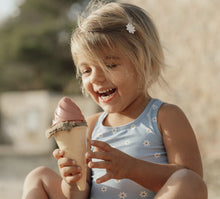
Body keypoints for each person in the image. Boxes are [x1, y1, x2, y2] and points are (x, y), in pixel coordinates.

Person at [22, 1, 207, 199]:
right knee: (38, 176)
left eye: (109, 65)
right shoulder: (91, 126)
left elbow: (193, 184)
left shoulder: (165, 116)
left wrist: (133, 168)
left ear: (143, 62)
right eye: (86, 70)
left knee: (188, 180)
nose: (95, 78)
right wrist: (71, 180)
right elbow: (78, 196)